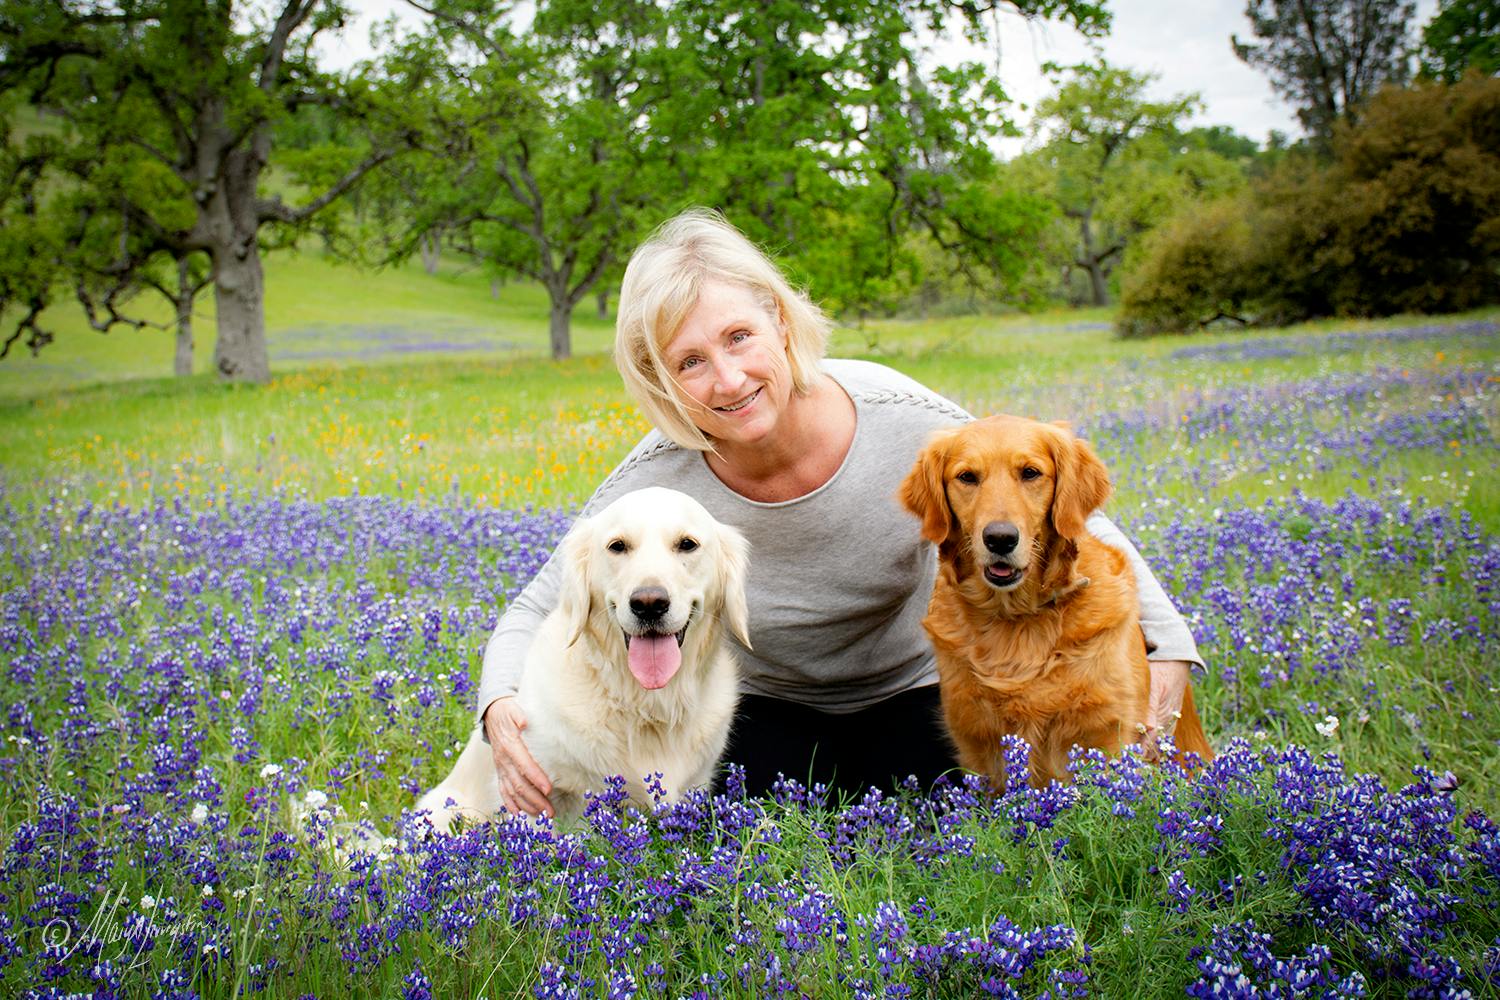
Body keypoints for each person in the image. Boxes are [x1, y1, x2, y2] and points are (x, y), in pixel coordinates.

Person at [475, 209, 1203, 817]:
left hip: (915, 688)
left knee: (959, 834)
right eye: (689, 362)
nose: (727, 379)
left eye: (738, 338)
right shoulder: (656, 476)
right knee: (745, 856)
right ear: (659, 376)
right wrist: (499, 706)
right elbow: (538, 603)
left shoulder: (900, 417)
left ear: (781, 326)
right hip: (767, 706)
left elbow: (1052, 509)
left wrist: (1167, 641)